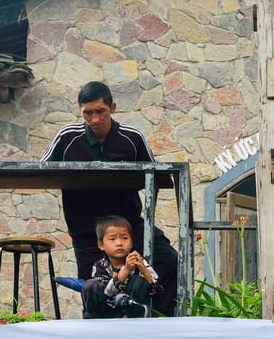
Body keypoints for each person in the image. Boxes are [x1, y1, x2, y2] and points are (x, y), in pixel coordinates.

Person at [45, 81, 179, 314]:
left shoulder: (132, 138)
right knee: (93, 289)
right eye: (88, 113)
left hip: (129, 227)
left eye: (100, 111)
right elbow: (40, 171)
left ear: (113, 108)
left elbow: (156, 177)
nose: (95, 119)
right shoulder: (67, 137)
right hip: (87, 232)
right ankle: (99, 333)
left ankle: (156, 319)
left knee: (169, 260)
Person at [82, 215, 157, 319]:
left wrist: (144, 271)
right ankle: (93, 322)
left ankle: (134, 320)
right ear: (101, 245)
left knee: (138, 281)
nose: (119, 243)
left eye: (125, 238)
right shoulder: (100, 265)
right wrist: (126, 270)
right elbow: (107, 293)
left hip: (133, 313)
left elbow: (157, 291)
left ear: (131, 242)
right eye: (112, 239)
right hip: (106, 312)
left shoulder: (138, 261)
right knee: (90, 285)